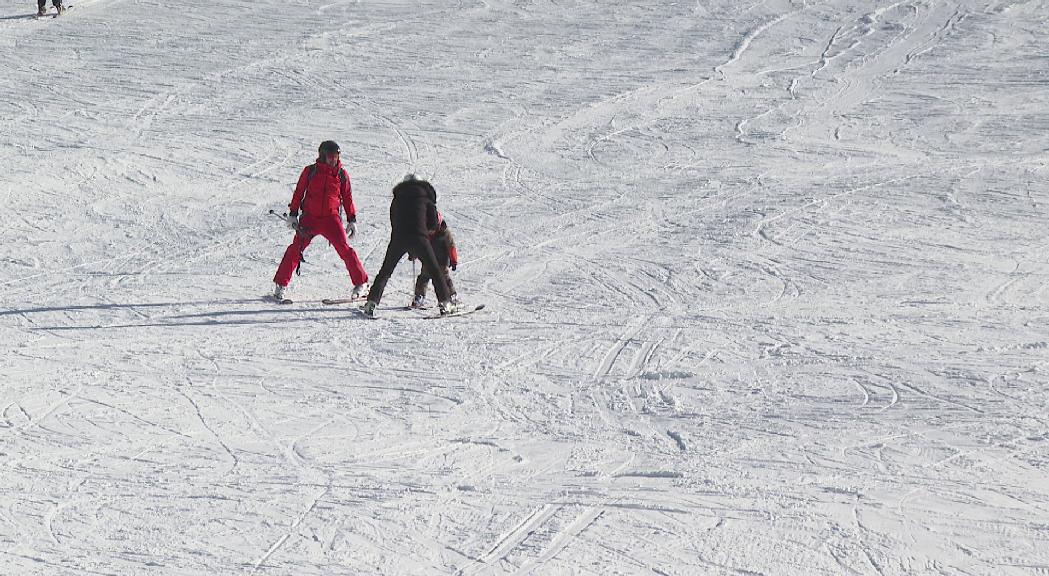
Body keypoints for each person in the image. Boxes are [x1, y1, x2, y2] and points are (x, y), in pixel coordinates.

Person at [272, 141, 368, 301]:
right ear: (323, 156)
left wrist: (352, 219)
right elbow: (299, 192)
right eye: (331, 157)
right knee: (296, 249)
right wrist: (293, 214)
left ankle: (361, 283)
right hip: (310, 218)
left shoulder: (341, 174)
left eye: (336, 157)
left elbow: (348, 198)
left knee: (345, 249)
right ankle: (280, 285)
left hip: (331, 219)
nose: (334, 160)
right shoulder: (310, 171)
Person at [363, 175, 457, 316]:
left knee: (385, 272)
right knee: (435, 271)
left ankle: (371, 303)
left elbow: (393, 221)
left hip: (398, 239)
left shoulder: (397, 199)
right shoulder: (425, 198)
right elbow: (433, 224)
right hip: (420, 238)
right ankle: (445, 304)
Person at [409, 212, 459, 309]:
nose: (430, 231)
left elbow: (451, 247)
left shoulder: (445, 233)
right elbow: (418, 244)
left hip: (441, 261)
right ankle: (419, 297)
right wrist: (413, 254)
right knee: (423, 278)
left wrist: (453, 260)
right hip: (428, 259)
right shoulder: (424, 232)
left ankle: (452, 296)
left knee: (444, 278)